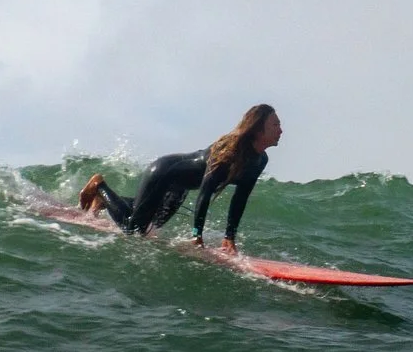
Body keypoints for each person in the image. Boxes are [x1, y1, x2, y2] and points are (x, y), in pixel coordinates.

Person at [78, 104, 282, 254]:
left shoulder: (259, 160)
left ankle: (105, 202)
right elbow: (205, 192)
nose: (280, 130)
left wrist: (229, 237)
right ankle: (99, 187)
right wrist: (197, 236)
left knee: (152, 225)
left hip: (180, 187)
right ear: (257, 128)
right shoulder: (228, 152)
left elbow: (240, 199)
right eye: (275, 124)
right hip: (164, 173)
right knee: (135, 230)